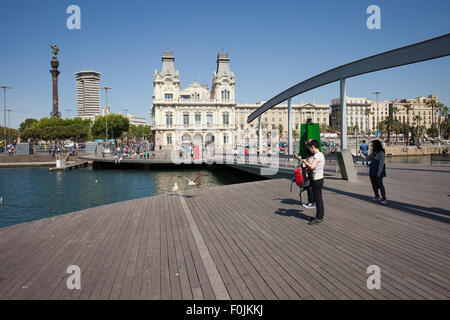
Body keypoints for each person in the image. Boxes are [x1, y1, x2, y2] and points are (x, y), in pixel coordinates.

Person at [294, 139, 325, 225]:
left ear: (313, 147)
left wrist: (304, 161)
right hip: (318, 178)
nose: (310, 150)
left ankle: (319, 217)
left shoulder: (317, 156)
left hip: (317, 179)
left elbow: (312, 166)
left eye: (310, 148)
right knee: (317, 198)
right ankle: (319, 215)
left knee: (318, 199)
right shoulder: (320, 155)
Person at [359, 140, 387, 205]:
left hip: (378, 171)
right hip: (372, 170)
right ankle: (377, 195)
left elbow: (381, 163)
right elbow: (367, 158)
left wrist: (379, 172)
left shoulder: (381, 153)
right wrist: (361, 154)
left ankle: (384, 197)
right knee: (373, 183)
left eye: (372, 145)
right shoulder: (373, 153)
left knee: (380, 184)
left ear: (376, 145)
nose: (372, 146)